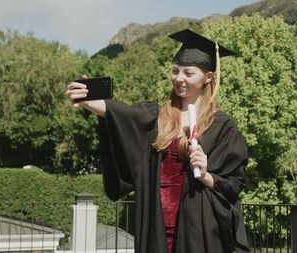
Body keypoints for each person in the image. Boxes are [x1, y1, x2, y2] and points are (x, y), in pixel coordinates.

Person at [66, 29, 250, 253]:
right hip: (156, 223)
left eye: (188, 73)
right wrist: (89, 101)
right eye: (175, 71)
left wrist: (205, 174)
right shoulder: (157, 115)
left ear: (208, 77)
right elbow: (122, 115)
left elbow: (233, 185)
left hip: (197, 230)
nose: (179, 78)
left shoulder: (222, 127)